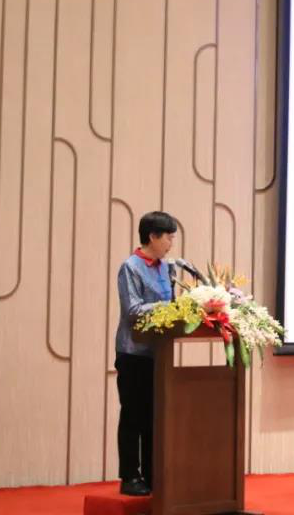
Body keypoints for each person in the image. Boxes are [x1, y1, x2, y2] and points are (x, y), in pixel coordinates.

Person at [115, 211, 178, 496]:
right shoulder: (130, 267)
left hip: (159, 353)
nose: (171, 243)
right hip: (133, 353)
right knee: (133, 415)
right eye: (168, 237)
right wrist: (170, 308)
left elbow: (171, 303)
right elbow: (133, 310)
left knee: (155, 416)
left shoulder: (166, 268)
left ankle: (153, 474)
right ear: (152, 236)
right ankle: (130, 476)